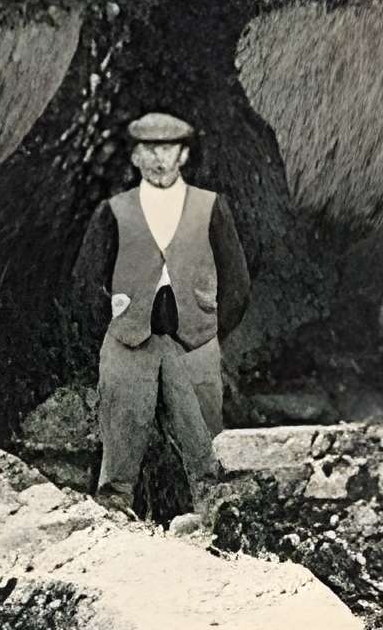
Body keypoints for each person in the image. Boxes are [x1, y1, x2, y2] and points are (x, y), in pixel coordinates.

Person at [68, 112, 254, 517]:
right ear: (134, 157)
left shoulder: (210, 207)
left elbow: (237, 283)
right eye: (148, 150)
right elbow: (84, 283)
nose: (158, 159)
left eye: (167, 149)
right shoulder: (114, 211)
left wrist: (209, 330)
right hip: (129, 342)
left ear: (183, 154)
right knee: (118, 463)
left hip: (195, 345)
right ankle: (115, 534)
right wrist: (117, 324)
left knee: (207, 455)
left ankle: (212, 533)